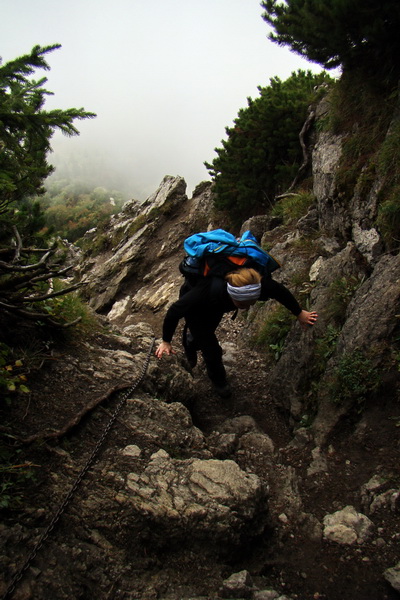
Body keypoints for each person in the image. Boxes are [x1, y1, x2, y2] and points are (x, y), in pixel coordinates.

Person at [155, 267, 318, 397]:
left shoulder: (260, 284)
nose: (247, 307)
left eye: (251, 303)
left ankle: (194, 341)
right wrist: (166, 341)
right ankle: (218, 381)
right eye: (242, 304)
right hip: (198, 309)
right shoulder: (205, 292)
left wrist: (299, 313)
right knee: (211, 349)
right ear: (231, 294)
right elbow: (174, 311)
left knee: (206, 335)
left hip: (218, 306)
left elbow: (280, 292)